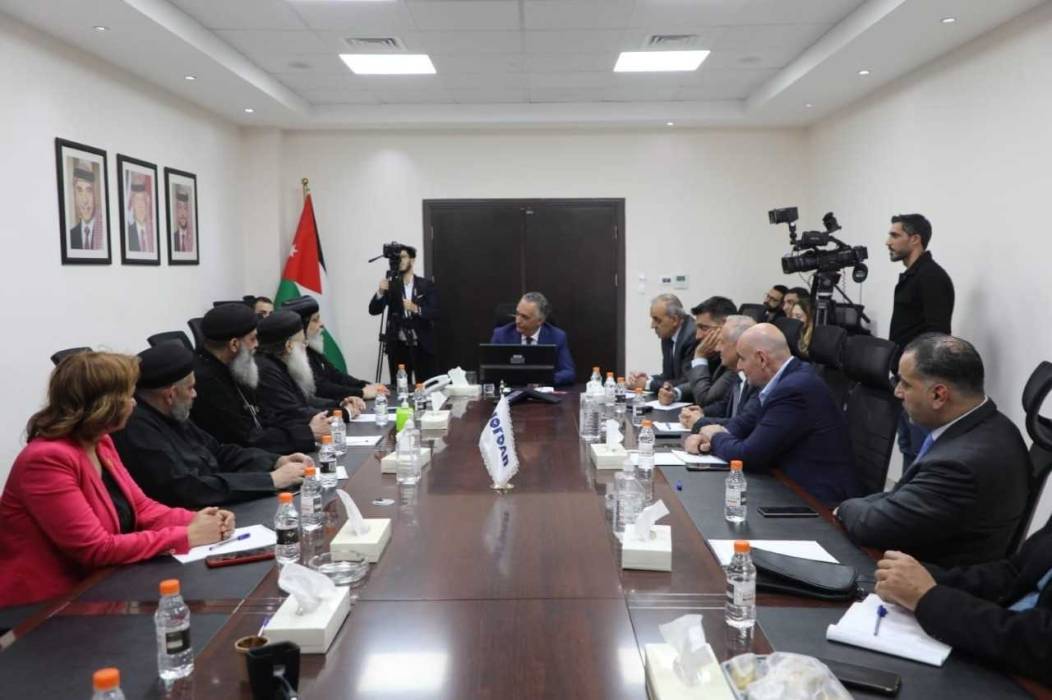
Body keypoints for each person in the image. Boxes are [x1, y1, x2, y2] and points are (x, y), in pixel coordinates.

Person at [0, 352, 233, 607]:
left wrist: (198, 519)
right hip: (44, 606)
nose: (133, 404)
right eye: (127, 396)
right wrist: (186, 536)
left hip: (100, 586)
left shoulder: (100, 441)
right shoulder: (46, 460)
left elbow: (142, 508)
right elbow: (95, 548)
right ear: (105, 404)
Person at [835, 334, 1029, 567]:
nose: (897, 392)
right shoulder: (993, 425)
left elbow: (873, 527)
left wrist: (843, 508)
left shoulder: (959, 466)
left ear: (938, 395)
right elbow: (900, 499)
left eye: (905, 384)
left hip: (931, 577)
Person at [112, 342, 309, 508]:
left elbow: (218, 451)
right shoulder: (136, 428)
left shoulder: (170, 411)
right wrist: (271, 480)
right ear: (170, 395)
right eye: (190, 388)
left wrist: (275, 461)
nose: (195, 394)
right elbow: (186, 489)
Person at [690, 324, 861, 505]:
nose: (739, 367)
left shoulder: (795, 389)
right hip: (787, 485)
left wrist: (715, 436)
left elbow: (748, 455)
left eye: (742, 359)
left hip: (816, 501)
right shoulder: (783, 379)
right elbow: (744, 423)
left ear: (762, 359)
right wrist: (708, 436)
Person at [873, 515, 1052, 686]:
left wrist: (929, 598)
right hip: (987, 642)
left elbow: (1042, 643)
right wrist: (924, 580)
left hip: (1023, 674)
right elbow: (1013, 572)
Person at [190, 303, 324, 454]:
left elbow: (264, 417)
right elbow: (246, 439)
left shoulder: (234, 365)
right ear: (234, 344)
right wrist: (307, 434)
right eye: (253, 338)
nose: (257, 345)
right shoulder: (206, 382)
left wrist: (305, 429)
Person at [886, 213, 955, 466]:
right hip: (905, 378)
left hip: (920, 381)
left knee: (921, 452)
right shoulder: (913, 276)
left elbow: (937, 335)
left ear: (915, 239)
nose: (888, 241)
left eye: (895, 235)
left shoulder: (931, 277)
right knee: (908, 445)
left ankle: (915, 492)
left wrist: (919, 379)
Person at [255, 311, 362, 427]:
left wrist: (340, 403)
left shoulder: (282, 365)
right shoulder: (268, 371)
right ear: (289, 346)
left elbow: (306, 402)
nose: (305, 347)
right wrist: (344, 413)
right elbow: (294, 413)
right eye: (303, 342)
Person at [283, 295, 386, 400]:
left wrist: (366, 385)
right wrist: (361, 393)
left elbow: (335, 376)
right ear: (302, 326)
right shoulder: (295, 356)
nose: (322, 324)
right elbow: (320, 388)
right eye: (315, 320)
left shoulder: (312, 349)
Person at [368, 244, 439, 385]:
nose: (400, 260)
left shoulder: (426, 285)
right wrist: (380, 292)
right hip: (398, 346)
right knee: (400, 387)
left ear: (412, 260)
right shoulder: (392, 285)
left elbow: (435, 312)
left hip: (422, 345)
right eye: (398, 258)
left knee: (426, 386)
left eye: (404, 257)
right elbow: (374, 310)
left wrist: (415, 308)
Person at [680, 315, 758, 433]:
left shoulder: (758, 381)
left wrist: (700, 421)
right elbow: (724, 406)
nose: (717, 348)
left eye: (722, 342)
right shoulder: (738, 374)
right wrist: (703, 413)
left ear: (739, 345)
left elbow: (744, 423)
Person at [490, 292, 576, 386]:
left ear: (540, 320)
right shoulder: (501, 335)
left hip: (542, 391)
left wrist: (543, 380)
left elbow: (568, 372)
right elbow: (490, 371)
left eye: (525, 317)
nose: (518, 321)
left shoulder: (557, 337)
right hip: (511, 390)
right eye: (517, 314)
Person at [628, 294, 698, 405]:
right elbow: (668, 376)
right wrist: (646, 378)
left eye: (657, 320)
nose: (652, 325)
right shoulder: (668, 335)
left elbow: (686, 381)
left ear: (674, 320)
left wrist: (647, 384)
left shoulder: (692, 336)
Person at [684, 296, 738, 406]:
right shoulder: (714, 353)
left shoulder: (736, 359)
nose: (698, 336)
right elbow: (698, 381)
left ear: (726, 325)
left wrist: (700, 356)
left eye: (704, 328)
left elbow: (704, 399)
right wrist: (676, 392)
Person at [69, 159, 103, 250]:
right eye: (79, 190)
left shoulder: (104, 233)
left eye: (89, 190)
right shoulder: (70, 236)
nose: (84, 200)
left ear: (95, 194)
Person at [126, 175, 152, 253]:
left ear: (147, 203)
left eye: (143, 200)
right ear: (133, 205)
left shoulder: (153, 232)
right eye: (137, 200)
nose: (140, 206)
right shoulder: (127, 234)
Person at [172, 185, 194, 253]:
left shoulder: (193, 239)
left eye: (185, 208)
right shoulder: (173, 238)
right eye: (180, 207)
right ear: (176, 210)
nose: (183, 213)